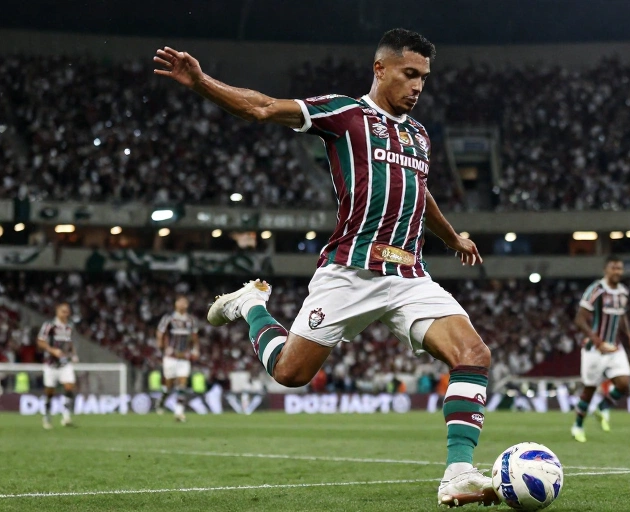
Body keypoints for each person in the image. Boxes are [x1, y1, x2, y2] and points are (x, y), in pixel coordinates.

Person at [154, 28, 494, 506]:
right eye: (409, 74)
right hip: (350, 272)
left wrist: (452, 236)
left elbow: (419, 191)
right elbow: (262, 107)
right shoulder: (345, 113)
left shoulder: (418, 135)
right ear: (380, 69)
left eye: (424, 77)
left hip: (409, 275)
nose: (418, 86)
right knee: (290, 374)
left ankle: (458, 473)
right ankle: (251, 305)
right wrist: (202, 81)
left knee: (474, 354)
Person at [571, 255, 630, 442]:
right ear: (605, 270)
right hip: (594, 349)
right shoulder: (596, 290)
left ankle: (602, 407)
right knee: (589, 390)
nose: (617, 272)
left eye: (620, 268)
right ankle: (578, 425)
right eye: (613, 268)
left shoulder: (623, 292)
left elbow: (622, 316)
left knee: (624, 384)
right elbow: (579, 319)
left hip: (615, 347)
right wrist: (596, 340)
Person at [155, 296, 200, 422]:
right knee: (169, 385)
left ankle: (179, 412)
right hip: (171, 356)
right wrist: (161, 348)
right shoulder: (168, 318)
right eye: (180, 302)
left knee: (182, 383)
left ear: (187, 305)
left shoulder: (191, 320)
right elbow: (160, 333)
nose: (182, 304)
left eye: (185, 302)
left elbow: (194, 336)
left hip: (184, 357)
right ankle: (162, 400)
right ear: (175, 304)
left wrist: (195, 350)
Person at [37, 302, 78, 429]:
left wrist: (74, 354)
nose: (66, 314)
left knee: (69, 386)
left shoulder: (70, 326)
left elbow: (69, 341)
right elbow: (40, 341)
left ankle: (66, 416)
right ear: (57, 311)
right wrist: (52, 350)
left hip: (65, 362)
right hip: (50, 363)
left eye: (67, 311)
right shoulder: (49, 325)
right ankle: (47, 416)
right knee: (50, 392)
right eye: (63, 311)